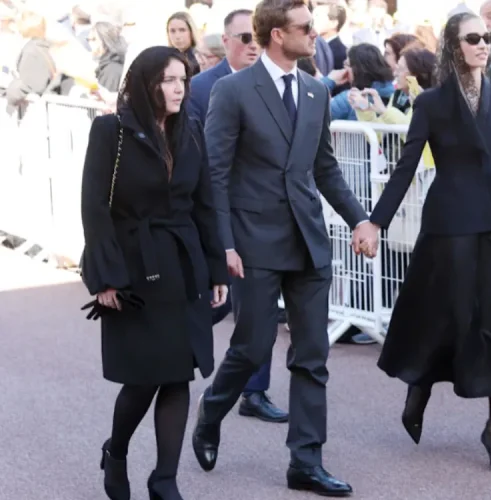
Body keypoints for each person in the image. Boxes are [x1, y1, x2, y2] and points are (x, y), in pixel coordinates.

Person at [363, 12, 491, 475]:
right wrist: (376, 222)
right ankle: (419, 387)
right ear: (454, 46)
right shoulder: (432, 103)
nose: (483, 44)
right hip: (449, 223)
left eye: (487, 37)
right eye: (473, 38)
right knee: (442, 318)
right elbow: (407, 166)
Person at [192, 1, 378, 496]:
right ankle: (211, 411)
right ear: (277, 34)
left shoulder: (316, 89)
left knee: (312, 354)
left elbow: (325, 169)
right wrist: (224, 244)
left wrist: (360, 219)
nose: (314, 34)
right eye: (305, 27)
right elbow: (214, 173)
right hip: (253, 242)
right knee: (252, 345)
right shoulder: (233, 91)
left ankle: (305, 461)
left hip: (308, 239)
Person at [80, 46, 228, 500]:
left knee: (178, 372)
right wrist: (105, 277)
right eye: (167, 79)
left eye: (182, 78)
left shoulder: (192, 131)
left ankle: (164, 479)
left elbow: (204, 205)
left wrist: (216, 267)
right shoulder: (112, 131)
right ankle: (117, 450)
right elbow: (94, 207)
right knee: (144, 375)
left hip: (182, 264)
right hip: (133, 267)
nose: (179, 87)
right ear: (145, 83)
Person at [188, 8, 289, 424]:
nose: (252, 45)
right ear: (225, 41)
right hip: (209, 212)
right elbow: (195, 153)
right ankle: (178, 358)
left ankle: (253, 390)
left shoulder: (279, 83)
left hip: (259, 219)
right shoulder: (199, 88)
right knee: (207, 303)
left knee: (256, 313)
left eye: (257, 38)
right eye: (244, 38)